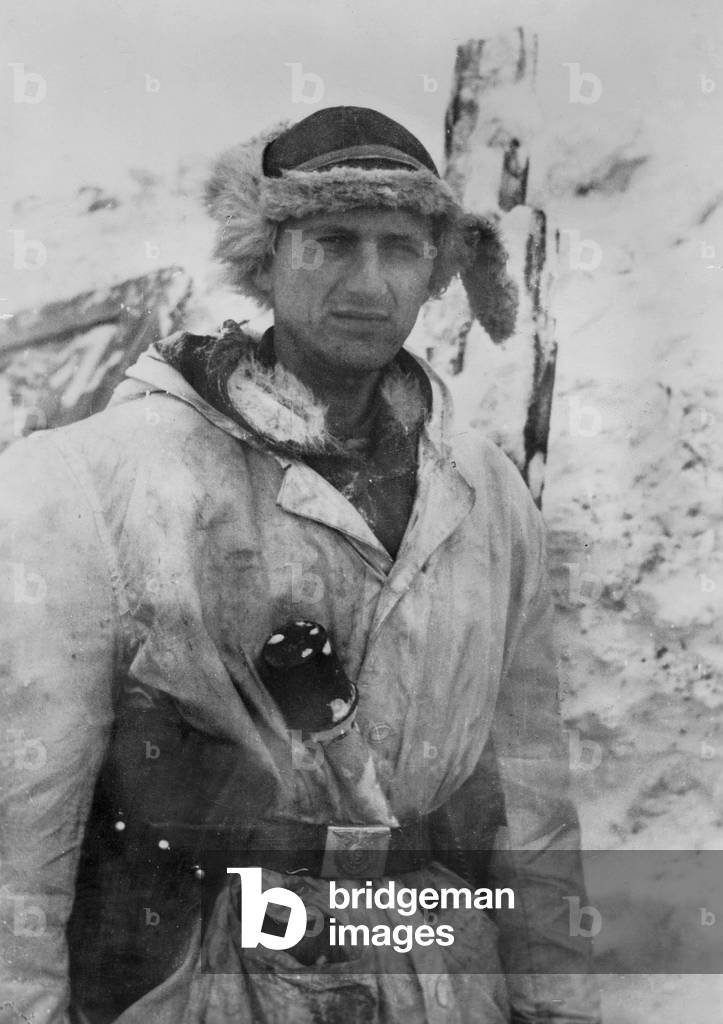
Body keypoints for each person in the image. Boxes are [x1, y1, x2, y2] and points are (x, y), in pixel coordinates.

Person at [0, 106, 601, 1024]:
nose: (368, 282)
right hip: (210, 981)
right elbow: (21, 837)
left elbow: (527, 808)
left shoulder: (484, 492)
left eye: (399, 247)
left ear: (434, 267)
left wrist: (556, 1008)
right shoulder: (95, 479)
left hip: (439, 975)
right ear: (266, 254)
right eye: (330, 240)